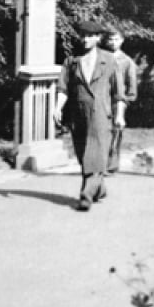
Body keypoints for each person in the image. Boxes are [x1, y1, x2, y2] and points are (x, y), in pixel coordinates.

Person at [54, 21, 126, 211]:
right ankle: (98, 188)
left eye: (89, 36)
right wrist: (57, 108)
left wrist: (120, 115)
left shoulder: (109, 60)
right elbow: (63, 88)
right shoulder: (72, 61)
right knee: (83, 153)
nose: (85, 40)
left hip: (102, 114)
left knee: (95, 153)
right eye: (82, 35)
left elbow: (119, 93)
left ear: (98, 38)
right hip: (77, 115)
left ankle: (86, 195)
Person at [102, 26, 138, 174]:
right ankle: (102, 163)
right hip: (102, 98)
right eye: (110, 39)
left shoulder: (126, 61)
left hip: (119, 101)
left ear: (122, 41)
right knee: (102, 131)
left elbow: (132, 84)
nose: (113, 42)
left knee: (115, 131)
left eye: (116, 39)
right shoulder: (101, 57)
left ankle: (112, 164)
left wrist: (126, 100)